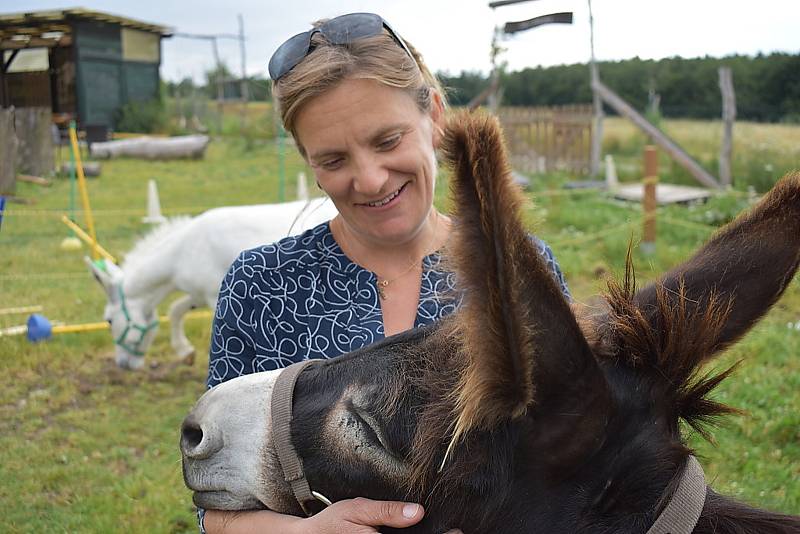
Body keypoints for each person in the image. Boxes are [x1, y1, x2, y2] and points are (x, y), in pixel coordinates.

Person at [200, 12, 571, 534]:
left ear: (435, 116)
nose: (370, 179)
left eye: (387, 140)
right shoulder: (262, 285)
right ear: (308, 162)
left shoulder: (517, 274)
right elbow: (216, 508)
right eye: (333, 160)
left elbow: (563, 464)